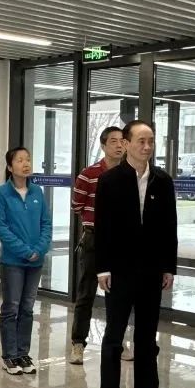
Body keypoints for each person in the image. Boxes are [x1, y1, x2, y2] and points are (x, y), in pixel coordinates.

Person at [94, 120, 177, 388]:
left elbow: (170, 227)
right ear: (126, 144)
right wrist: (102, 268)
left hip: (152, 269)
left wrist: (168, 266)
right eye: (141, 141)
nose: (147, 146)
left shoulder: (162, 181)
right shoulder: (110, 180)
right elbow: (102, 227)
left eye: (150, 141)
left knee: (147, 333)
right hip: (119, 268)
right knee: (114, 333)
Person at [0, 147, 52, 374]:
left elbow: (46, 224)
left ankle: (23, 353)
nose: (25, 164)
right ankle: (9, 356)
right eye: (19, 160)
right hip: (13, 261)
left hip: (35, 261)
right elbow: (0, 227)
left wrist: (39, 249)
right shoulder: (2, 194)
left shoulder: (37, 192)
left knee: (27, 308)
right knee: (11, 308)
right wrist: (25, 251)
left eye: (28, 159)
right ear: (10, 167)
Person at [69, 126, 125, 365]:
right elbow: (76, 205)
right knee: (86, 294)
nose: (119, 145)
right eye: (113, 141)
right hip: (94, 238)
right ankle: (78, 343)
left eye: (122, 141)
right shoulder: (89, 174)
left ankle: (117, 344)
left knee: (120, 296)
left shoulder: (129, 173)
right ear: (103, 146)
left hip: (121, 240)